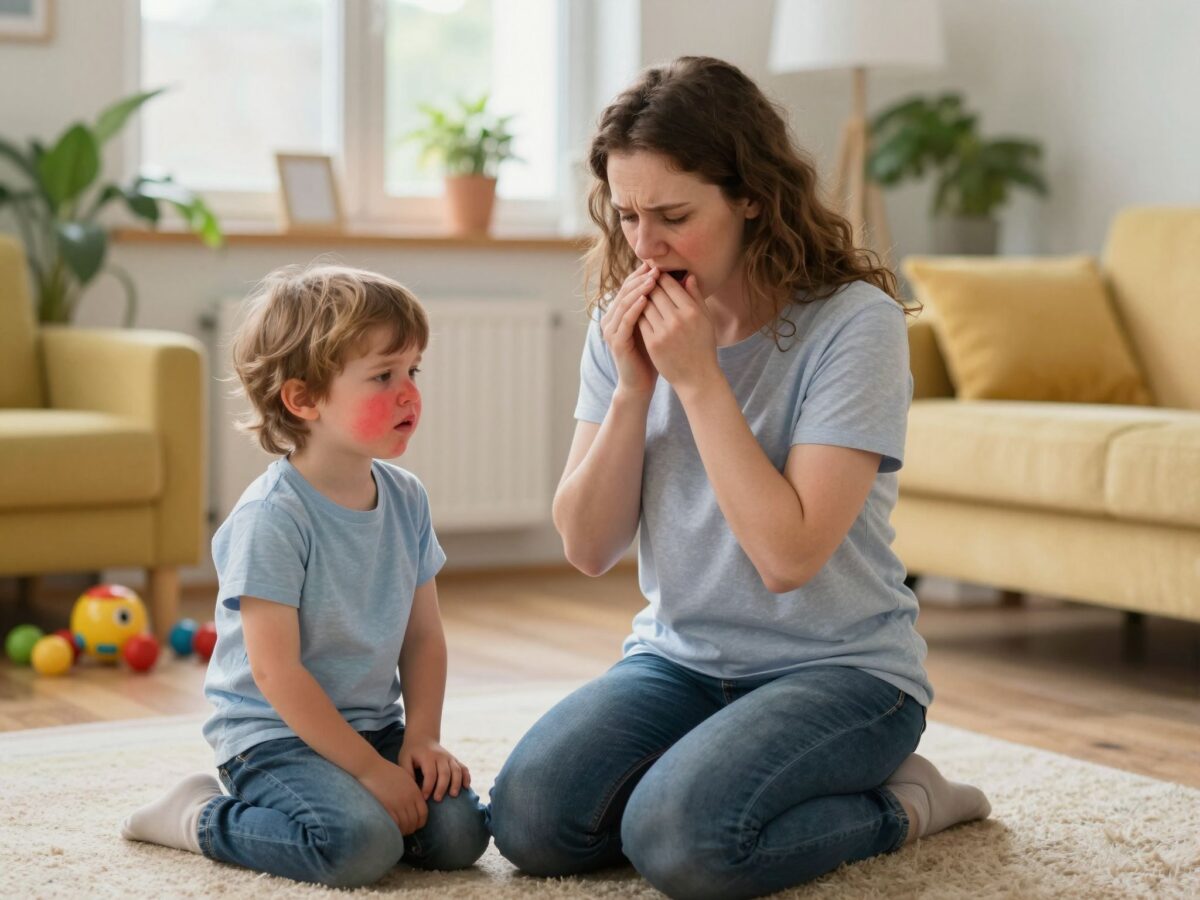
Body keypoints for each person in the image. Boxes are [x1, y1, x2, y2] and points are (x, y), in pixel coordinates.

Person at [488, 56, 990, 899]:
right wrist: (635, 388)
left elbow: (787, 557)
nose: (645, 246)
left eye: (674, 216)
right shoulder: (625, 322)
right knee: (530, 820)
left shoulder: (853, 325)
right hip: (680, 660)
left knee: (680, 842)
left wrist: (698, 382)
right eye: (628, 216)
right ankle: (719, 771)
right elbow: (585, 545)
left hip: (842, 672)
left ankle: (906, 802)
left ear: (751, 195)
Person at [120, 265, 489, 887]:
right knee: (357, 848)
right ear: (303, 399)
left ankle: (361, 799)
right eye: (382, 376)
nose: (408, 393)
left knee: (462, 836)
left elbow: (423, 636)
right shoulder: (272, 519)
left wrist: (420, 738)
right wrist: (373, 777)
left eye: (412, 372)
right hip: (273, 737)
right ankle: (199, 815)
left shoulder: (407, 499)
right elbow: (275, 673)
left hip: (373, 726)